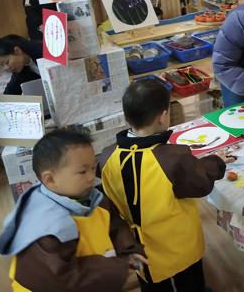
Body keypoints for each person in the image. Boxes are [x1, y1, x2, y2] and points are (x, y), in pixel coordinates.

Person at [98, 79, 230, 292]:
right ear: (163, 116)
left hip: (135, 244)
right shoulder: (171, 158)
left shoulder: (106, 157)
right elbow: (201, 181)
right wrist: (217, 161)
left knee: (151, 283)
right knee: (190, 282)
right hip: (177, 242)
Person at [0, 130, 146, 292]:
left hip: (97, 279)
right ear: (50, 179)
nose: (91, 177)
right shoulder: (42, 226)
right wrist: (119, 267)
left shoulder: (92, 196)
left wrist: (129, 251)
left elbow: (115, 225)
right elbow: (62, 278)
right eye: (82, 171)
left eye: (92, 168)